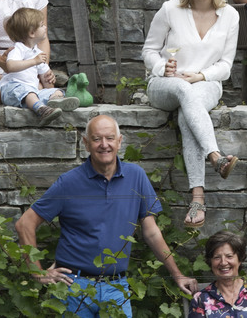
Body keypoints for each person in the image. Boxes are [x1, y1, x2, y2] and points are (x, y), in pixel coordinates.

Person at [15, 115, 198, 317]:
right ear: (86, 143)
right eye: (96, 139)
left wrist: (177, 274)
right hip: (73, 287)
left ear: (119, 141)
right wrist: (38, 273)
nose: (104, 145)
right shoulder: (69, 182)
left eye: (110, 138)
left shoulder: (136, 176)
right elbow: (25, 223)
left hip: (116, 287)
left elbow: (152, 233)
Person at [142, 0, 242, 228]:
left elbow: (226, 65)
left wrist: (200, 75)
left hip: (207, 84)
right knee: (184, 90)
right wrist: (162, 67)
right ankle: (215, 156)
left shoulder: (230, 15)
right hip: (165, 85)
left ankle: (197, 200)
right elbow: (149, 50)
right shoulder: (170, 9)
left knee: (189, 111)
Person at [0, 7, 79, 125]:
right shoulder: (18, 49)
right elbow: (10, 66)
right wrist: (34, 61)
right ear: (32, 33)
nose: (45, 27)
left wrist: (49, 78)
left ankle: (54, 101)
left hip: (32, 92)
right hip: (12, 90)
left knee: (57, 91)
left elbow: (46, 83)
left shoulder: (37, 53)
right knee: (29, 92)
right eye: (42, 25)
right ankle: (42, 110)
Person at [189, 230, 247, 316]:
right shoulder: (201, 300)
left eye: (229, 256)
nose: (223, 262)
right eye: (217, 257)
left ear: (240, 259)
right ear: (210, 262)